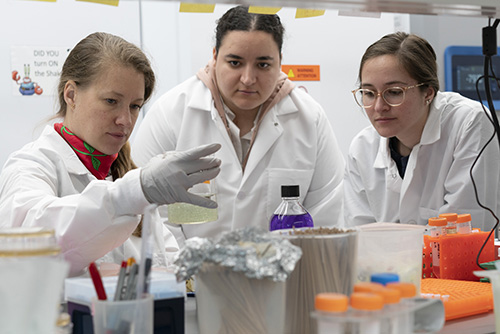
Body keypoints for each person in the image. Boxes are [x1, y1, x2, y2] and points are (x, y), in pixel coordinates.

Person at [0, 32, 221, 276]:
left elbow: (168, 265)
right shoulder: (31, 165)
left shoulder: (124, 173)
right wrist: (134, 192)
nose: (125, 120)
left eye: (135, 106)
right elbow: (30, 240)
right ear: (71, 95)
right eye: (111, 101)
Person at [132, 6, 345, 244]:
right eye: (235, 63)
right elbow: (147, 213)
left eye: (263, 65)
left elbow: (327, 215)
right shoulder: (171, 113)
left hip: (284, 277)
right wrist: (188, 274)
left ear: (280, 61)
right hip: (190, 276)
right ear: (214, 56)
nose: (248, 78)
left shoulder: (309, 119)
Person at [344, 32, 500, 231]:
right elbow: (358, 237)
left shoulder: (470, 123)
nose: (378, 107)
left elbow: (465, 231)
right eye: (368, 93)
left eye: (394, 92)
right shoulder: (362, 147)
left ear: (428, 92)